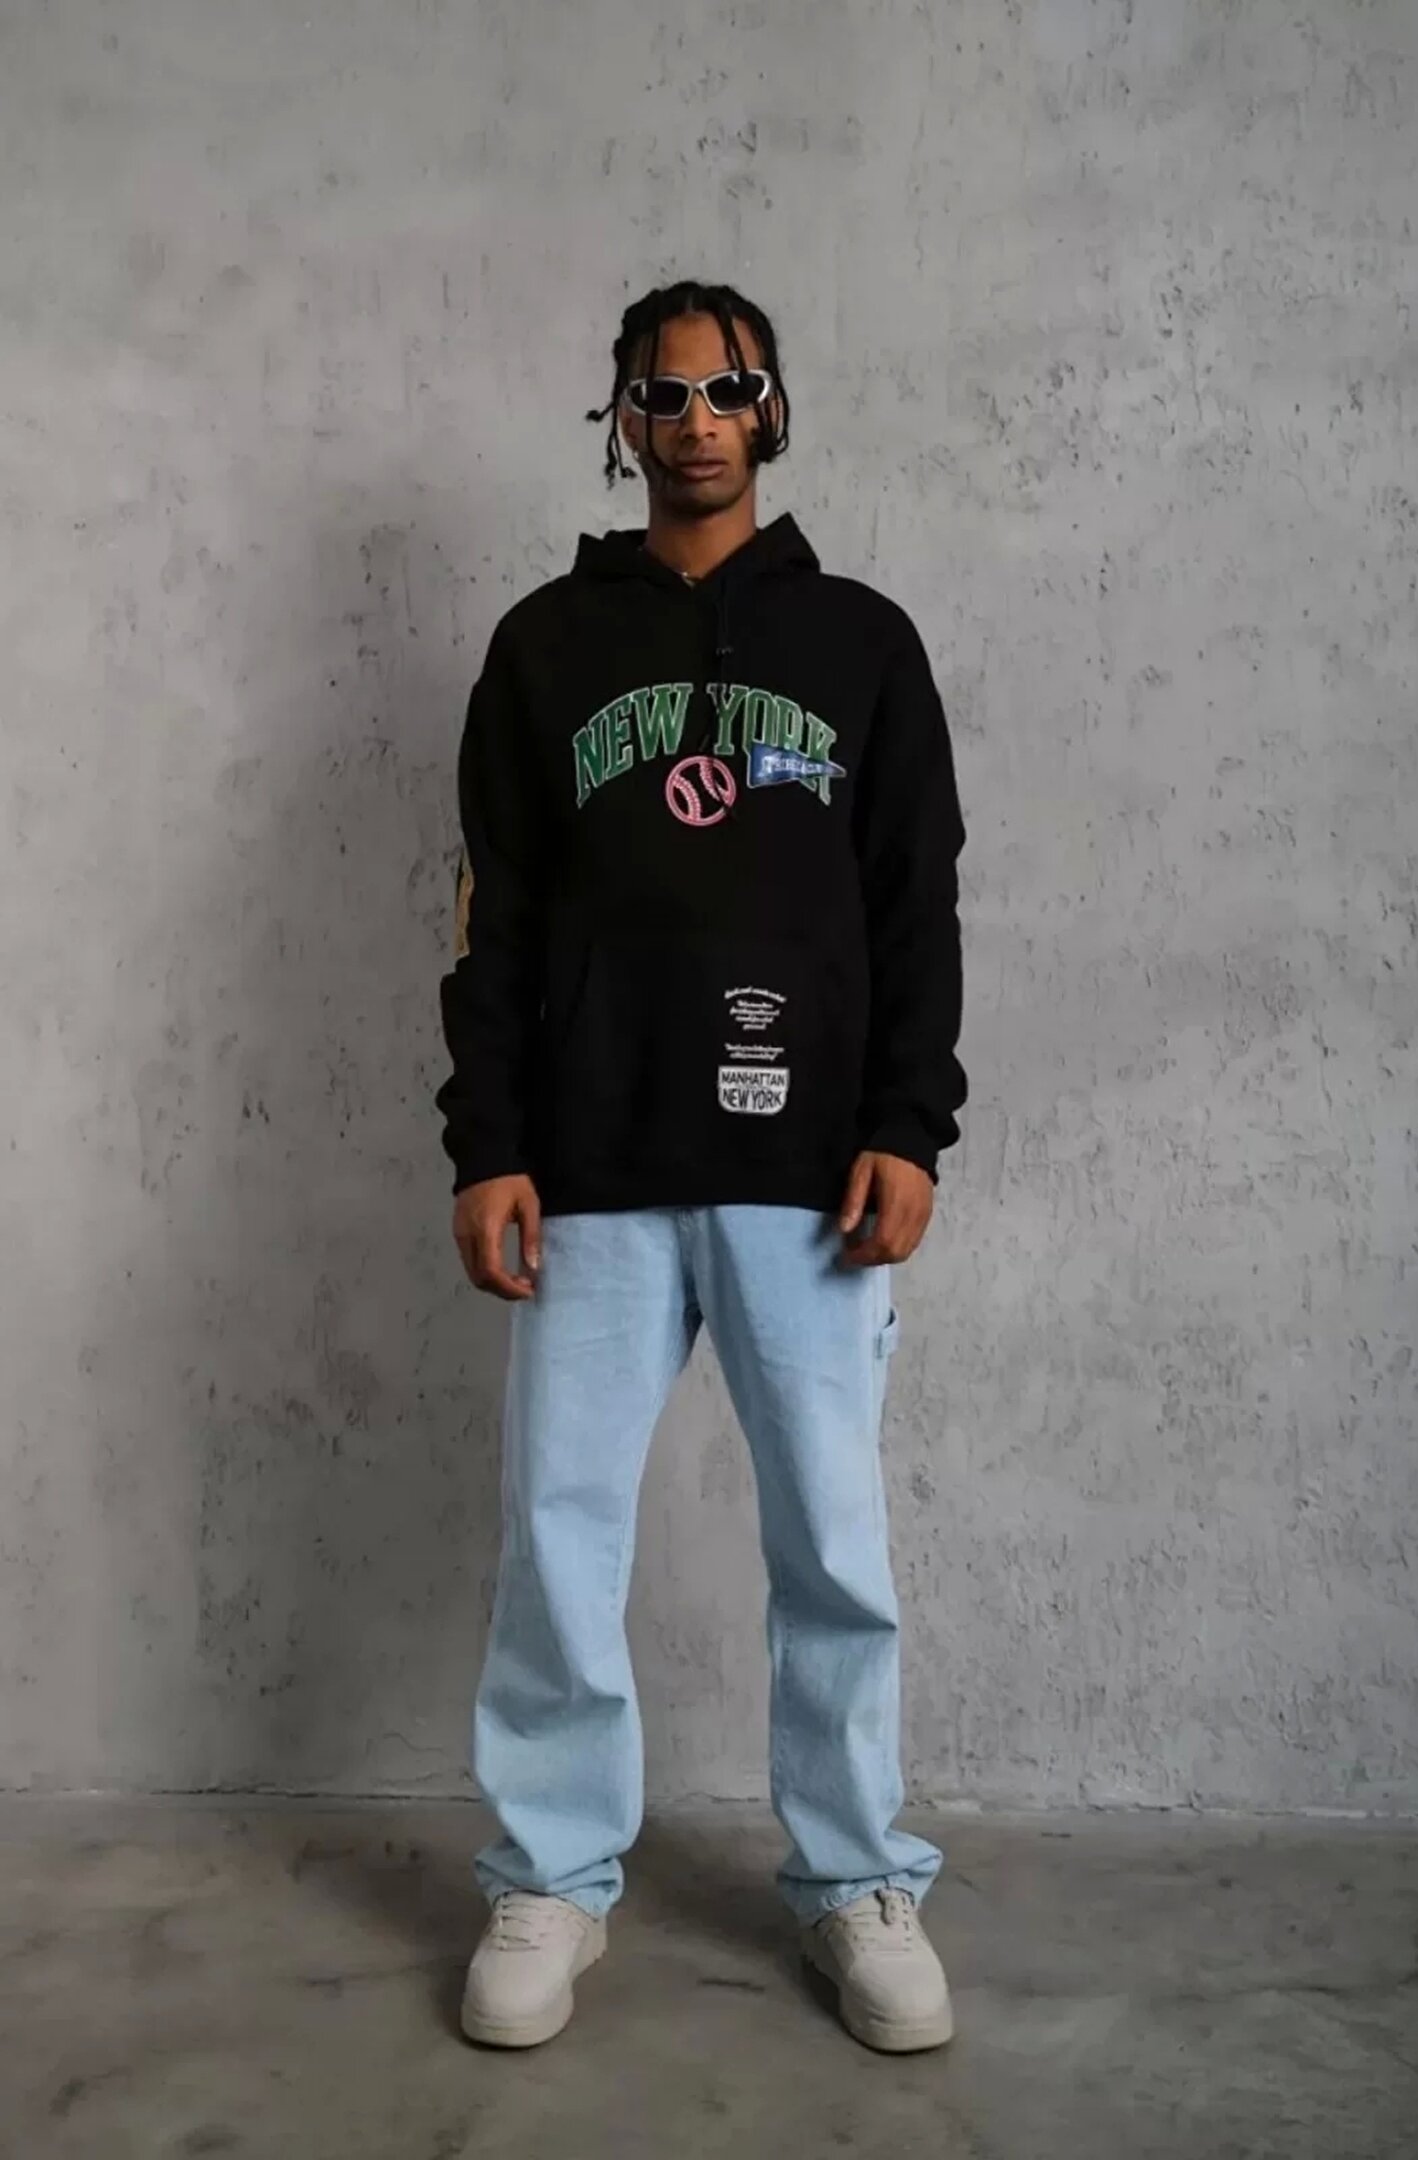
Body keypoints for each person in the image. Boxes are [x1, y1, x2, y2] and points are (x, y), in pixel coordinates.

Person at [435, 278, 968, 2054]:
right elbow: (493, 917)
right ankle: (551, 1875)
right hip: (589, 1162)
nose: (697, 420)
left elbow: (914, 906)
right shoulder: (543, 648)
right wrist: (490, 1146)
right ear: (621, 419)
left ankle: (857, 1878)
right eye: (662, 395)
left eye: (728, 388)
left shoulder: (863, 642)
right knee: (558, 1538)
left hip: (808, 1174)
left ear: (775, 409)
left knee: (833, 1544)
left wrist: (907, 1123)